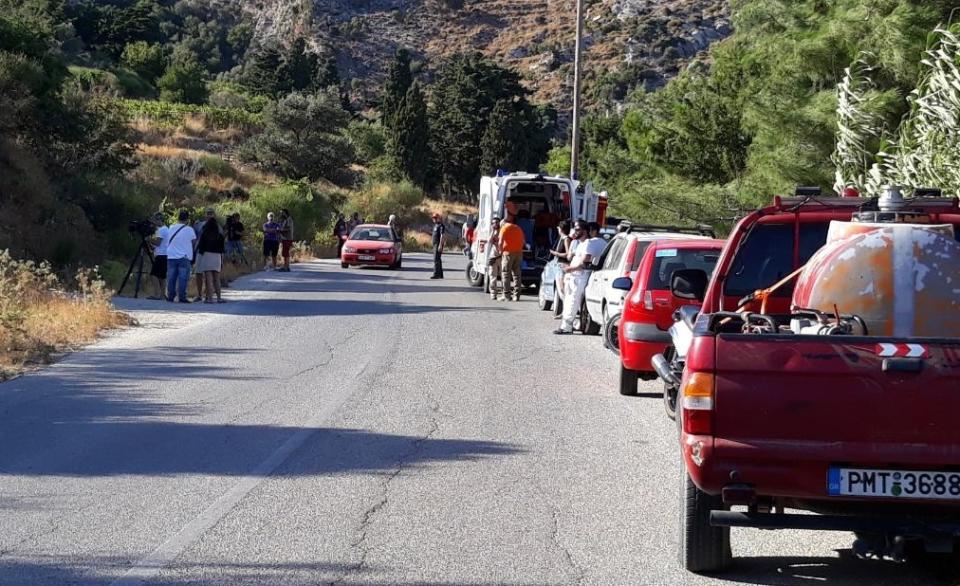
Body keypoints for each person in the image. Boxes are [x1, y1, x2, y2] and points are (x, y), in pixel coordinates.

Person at [554, 220, 597, 334]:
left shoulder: (588, 243)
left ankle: (567, 327)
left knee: (573, 301)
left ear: (585, 231)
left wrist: (570, 269)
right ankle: (565, 325)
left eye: (577, 229)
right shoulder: (580, 244)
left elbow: (584, 262)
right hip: (573, 276)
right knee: (568, 300)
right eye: (574, 229)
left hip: (580, 276)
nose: (575, 232)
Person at [165, 210, 197, 303]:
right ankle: (182, 297)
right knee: (183, 278)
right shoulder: (190, 229)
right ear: (187, 219)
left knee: (171, 277)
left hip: (171, 255)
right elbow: (194, 242)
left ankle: (171, 296)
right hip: (184, 256)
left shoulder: (171, 227)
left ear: (178, 218)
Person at [197, 215, 226, 303]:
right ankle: (219, 298)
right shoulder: (220, 235)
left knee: (208, 278)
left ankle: (209, 298)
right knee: (216, 279)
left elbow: (201, 247)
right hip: (217, 256)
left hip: (207, 255)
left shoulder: (204, 234)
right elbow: (222, 249)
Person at [193, 208, 219, 301]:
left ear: (214, 215)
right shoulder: (199, 225)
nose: (209, 215)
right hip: (201, 251)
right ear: (205, 215)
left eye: (211, 213)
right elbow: (195, 238)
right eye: (208, 213)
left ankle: (208, 295)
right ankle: (200, 295)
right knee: (198, 273)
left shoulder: (217, 226)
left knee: (209, 274)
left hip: (211, 252)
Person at [498, 213, 526, 301]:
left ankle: (506, 295)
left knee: (506, 274)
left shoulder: (504, 228)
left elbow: (500, 242)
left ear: (502, 224)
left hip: (508, 253)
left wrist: (500, 251)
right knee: (517, 275)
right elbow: (523, 241)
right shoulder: (518, 228)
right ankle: (516, 296)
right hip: (519, 253)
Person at [148, 212, 169, 300]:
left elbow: (158, 242)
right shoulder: (166, 229)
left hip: (161, 255)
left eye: (156, 220)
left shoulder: (161, 230)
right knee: (162, 276)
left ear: (160, 220)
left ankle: (157, 294)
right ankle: (163, 294)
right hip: (165, 254)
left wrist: (149, 239)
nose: (155, 223)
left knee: (154, 275)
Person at [486, 217, 503, 300]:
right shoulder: (492, 232)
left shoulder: (502, 231)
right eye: (493, 223)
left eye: (497, 222)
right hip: (493, 257)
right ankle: (493, 293)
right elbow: (489, 241)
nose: (495, 224)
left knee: (504, 276)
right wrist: (493, 231)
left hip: (502, 257)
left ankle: (504, 293)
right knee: (493, 276)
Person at [430, 212, 446, 279]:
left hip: (438, 244)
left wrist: (440, 245)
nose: (434, 219)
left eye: (435, 218)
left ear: (439, 218)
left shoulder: (441, 226)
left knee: (436, 259)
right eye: (433, 218)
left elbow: (442, 236)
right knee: (438, 259)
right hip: (434, 244)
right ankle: (441, 274)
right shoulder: (435, 225)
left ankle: (436, 274)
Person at [278, 208, 294, 272]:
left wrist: (281, 230)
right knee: (285, 253)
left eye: (282, 213)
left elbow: (288, 228)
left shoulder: (289, 219)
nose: (281, 214)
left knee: (286, 253)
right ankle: (285, 266)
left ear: (285, 213)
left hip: (288, 238)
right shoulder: (285, 220)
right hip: (285, 238)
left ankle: (286, 267)